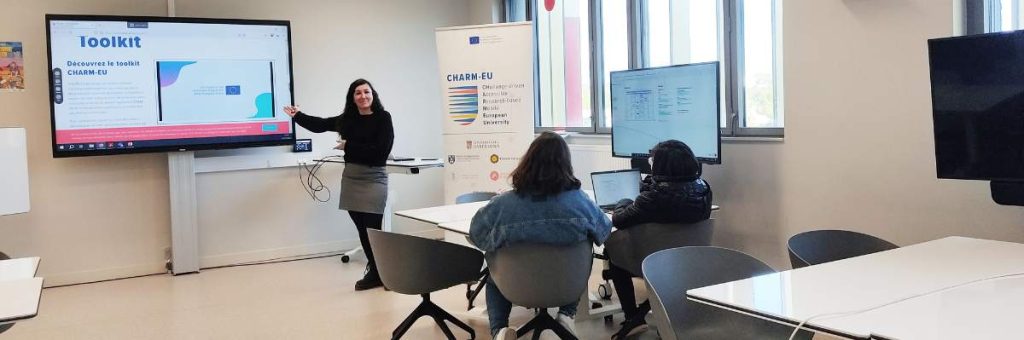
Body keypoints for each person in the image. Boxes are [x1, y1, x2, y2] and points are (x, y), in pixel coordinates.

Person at [469, 131, 612, 340]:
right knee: (584, 257)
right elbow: (604, 232)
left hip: (514, 285)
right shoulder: (581, 202)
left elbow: (476, 234)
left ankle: (499, 330)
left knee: (493, 273)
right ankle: (566, 315)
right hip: (567, 284)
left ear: (528, 162)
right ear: (566, 164)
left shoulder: (502, 205)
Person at [284, 78, 394, 291]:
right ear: (352, 98)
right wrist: (297, 116)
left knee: (373, 229)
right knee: (362, 228)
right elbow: (320, 124)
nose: (363, 96)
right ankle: (376, 272)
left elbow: (380, 152)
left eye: (366, 92)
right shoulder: (348, 119)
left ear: (373, 95)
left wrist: (348, 145)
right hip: (352, 178)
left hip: (373, 179)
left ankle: (386, 272)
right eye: (358, 93)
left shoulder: (383, 118)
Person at [607, 139, 713, 339]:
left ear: (660, 166)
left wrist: (624, 201)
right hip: (690, 260)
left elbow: (619, 220)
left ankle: (632, 317)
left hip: (652, 261)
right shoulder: (704, 191)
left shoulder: (652, 199)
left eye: (652, 160)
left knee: (612, 253)